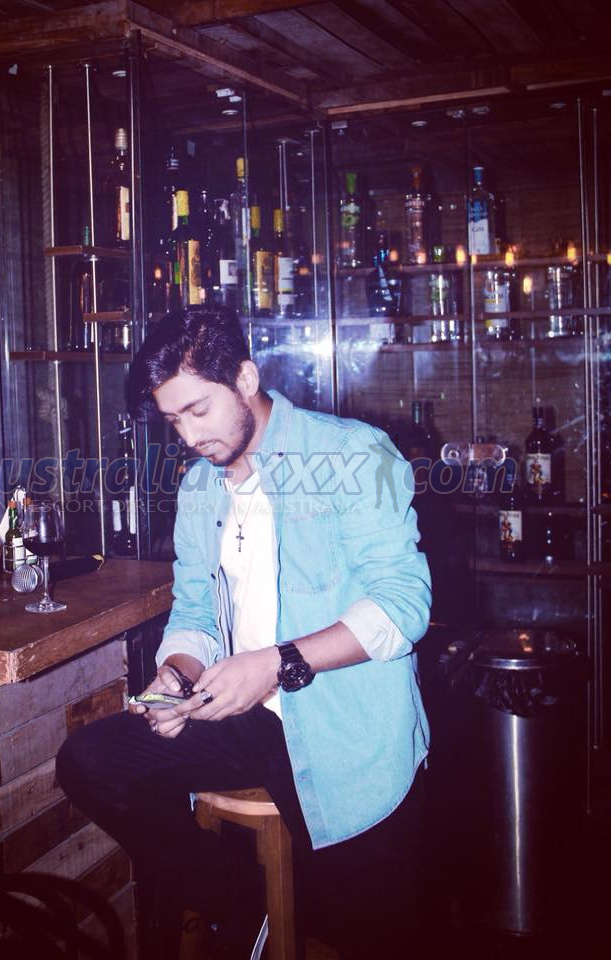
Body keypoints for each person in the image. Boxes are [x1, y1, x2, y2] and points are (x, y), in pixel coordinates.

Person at [56, 308, 431, 957]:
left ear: (247, 380)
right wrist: (176, 676)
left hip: (347, 731)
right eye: (173, 420)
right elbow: (196, 613)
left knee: (368, 935)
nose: (188, 435)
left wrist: (275, 663)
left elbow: (403, 607)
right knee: (89, 763)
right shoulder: (200, 490)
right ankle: (242, 900)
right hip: (245, 715)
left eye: (198, 410)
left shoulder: (352, 455)